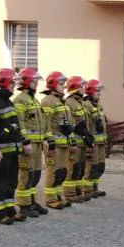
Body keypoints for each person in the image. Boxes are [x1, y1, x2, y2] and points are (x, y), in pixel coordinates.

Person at [0, 68, 26, 225]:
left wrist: (20, 145)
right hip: (1, 151)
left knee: (11, 181)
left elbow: (15, 125)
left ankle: (9, 210)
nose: (14, 86)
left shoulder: (8, 101)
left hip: (12, 150)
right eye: (12, 83)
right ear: (4, 82)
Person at [13, 67, 49, 217]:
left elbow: (41, 122)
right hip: (28, 145)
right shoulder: (20, 99)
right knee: (26, 174)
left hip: (37, 144)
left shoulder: (34, 99)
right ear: (27, 82)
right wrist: (25, 141)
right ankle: (24, 205)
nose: (37, 84)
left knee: (35, 174)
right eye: (34, 81)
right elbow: (19, 122)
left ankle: (32, 201)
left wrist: (45, 139)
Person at [41, 71, 75, 210]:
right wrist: (50, 142)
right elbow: (46, 123)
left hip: (63, 144)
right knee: (53, 171)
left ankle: (58, 196)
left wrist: (71, 141)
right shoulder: (48, 101)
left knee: (61, 171)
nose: (64, 86)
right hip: (54, 144)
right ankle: (50, 199)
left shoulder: (62, 101)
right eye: (61, 84)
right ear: (53, 85)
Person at [64, 76, 93, 202]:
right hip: (75, 141)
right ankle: (69, 194)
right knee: (72, 168)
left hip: (82, 141)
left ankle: (77, 190)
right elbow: (69, 123)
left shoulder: (80, 102)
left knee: (79, 168)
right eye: (81, 86)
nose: (83, 88)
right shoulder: (69, 102)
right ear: (74, 87)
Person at [84, 79, 108, 198]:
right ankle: (87, 190)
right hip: (93, 143)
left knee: (100, 166)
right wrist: (88, 142)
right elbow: (86, 125)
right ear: (91, 91)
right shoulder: (86, 105)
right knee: (91, 167)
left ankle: (94, 187)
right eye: (97, 90)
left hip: (101, 142)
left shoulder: (98, 105)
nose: (99, 93)